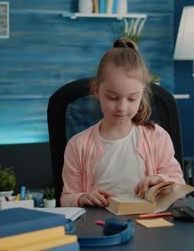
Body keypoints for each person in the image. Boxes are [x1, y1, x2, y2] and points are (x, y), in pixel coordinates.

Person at [61, 38, 185, 207]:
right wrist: (81, 198)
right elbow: (66, 198)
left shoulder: (157, 137)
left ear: (142, 94)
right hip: (99, 226)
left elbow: (179, 184)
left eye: (132, 98)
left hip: (149, 226)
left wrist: (160, 180)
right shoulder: (78, 145)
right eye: (113, 97)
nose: (122, 107)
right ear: (97, 90)